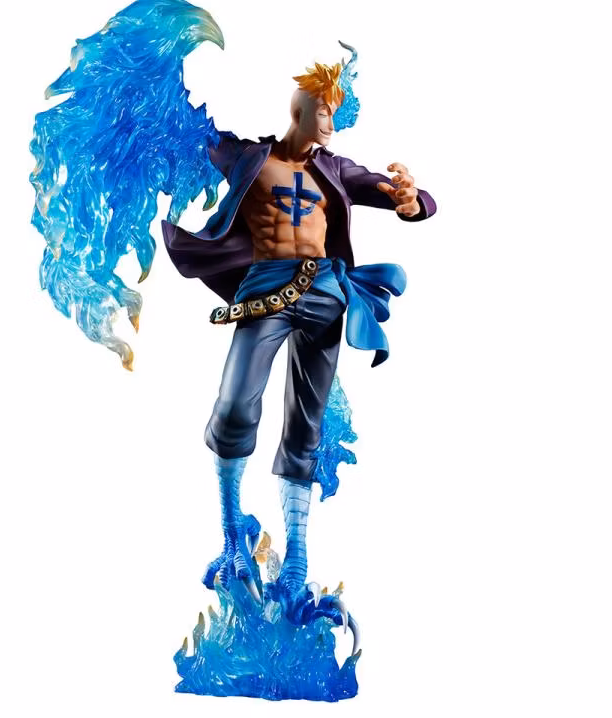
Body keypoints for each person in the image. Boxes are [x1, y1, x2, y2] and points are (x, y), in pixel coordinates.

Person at [164, 60, 437, 629]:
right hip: (264, 288)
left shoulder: (334, 168)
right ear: (299, 109)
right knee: (235, 406)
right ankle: (232, 535)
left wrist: (412, 201)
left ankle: (297, 558)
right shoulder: (246, 157)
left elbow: (398, 195)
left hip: (326, 293)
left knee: (305, 424)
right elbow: (188, 133)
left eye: (336, 112)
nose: (332, 122)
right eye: (325, 110)